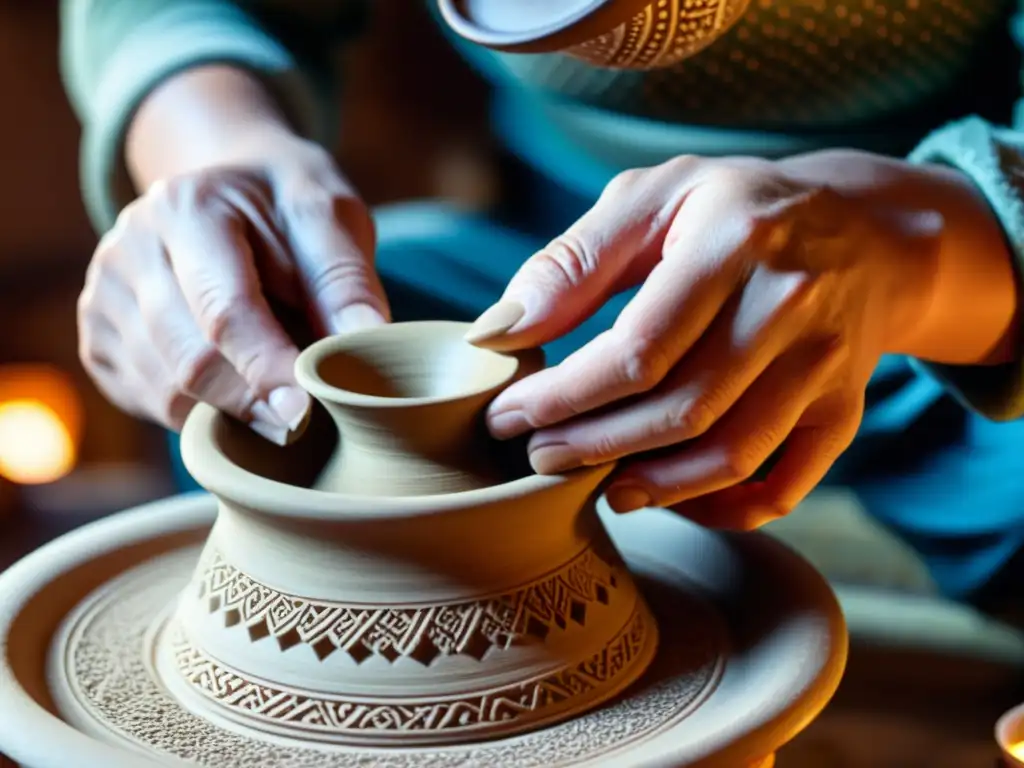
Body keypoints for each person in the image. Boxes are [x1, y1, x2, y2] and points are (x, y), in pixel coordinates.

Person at [60, 1, 1024, 605]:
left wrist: (921, 248)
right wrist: (210, 147)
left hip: (961, 262)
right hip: (571, 262)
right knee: (260, 380)